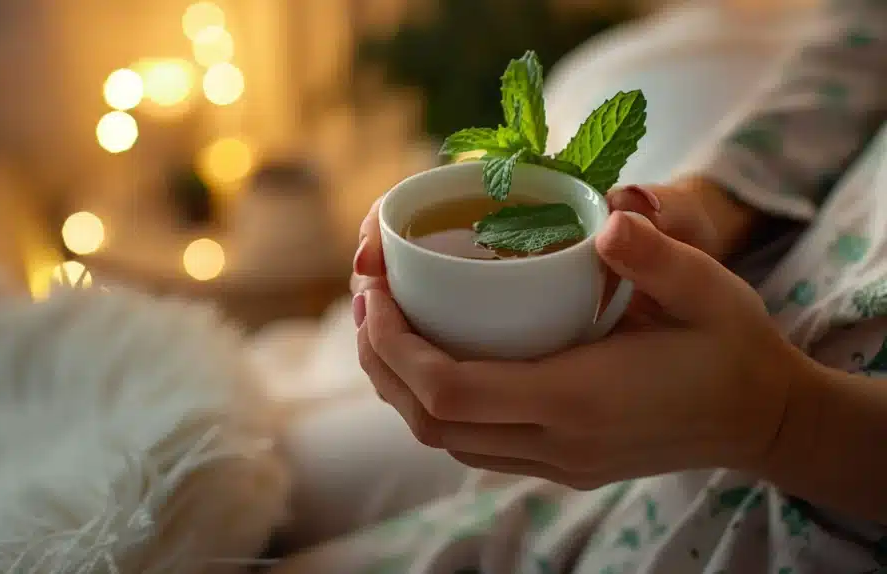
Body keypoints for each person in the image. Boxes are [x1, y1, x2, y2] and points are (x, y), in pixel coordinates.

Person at [275, 0, 887, 571]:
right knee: (279, 474)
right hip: (753, 306)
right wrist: (716, 202)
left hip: (802, 507)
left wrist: (780, 419)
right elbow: (862, 39)